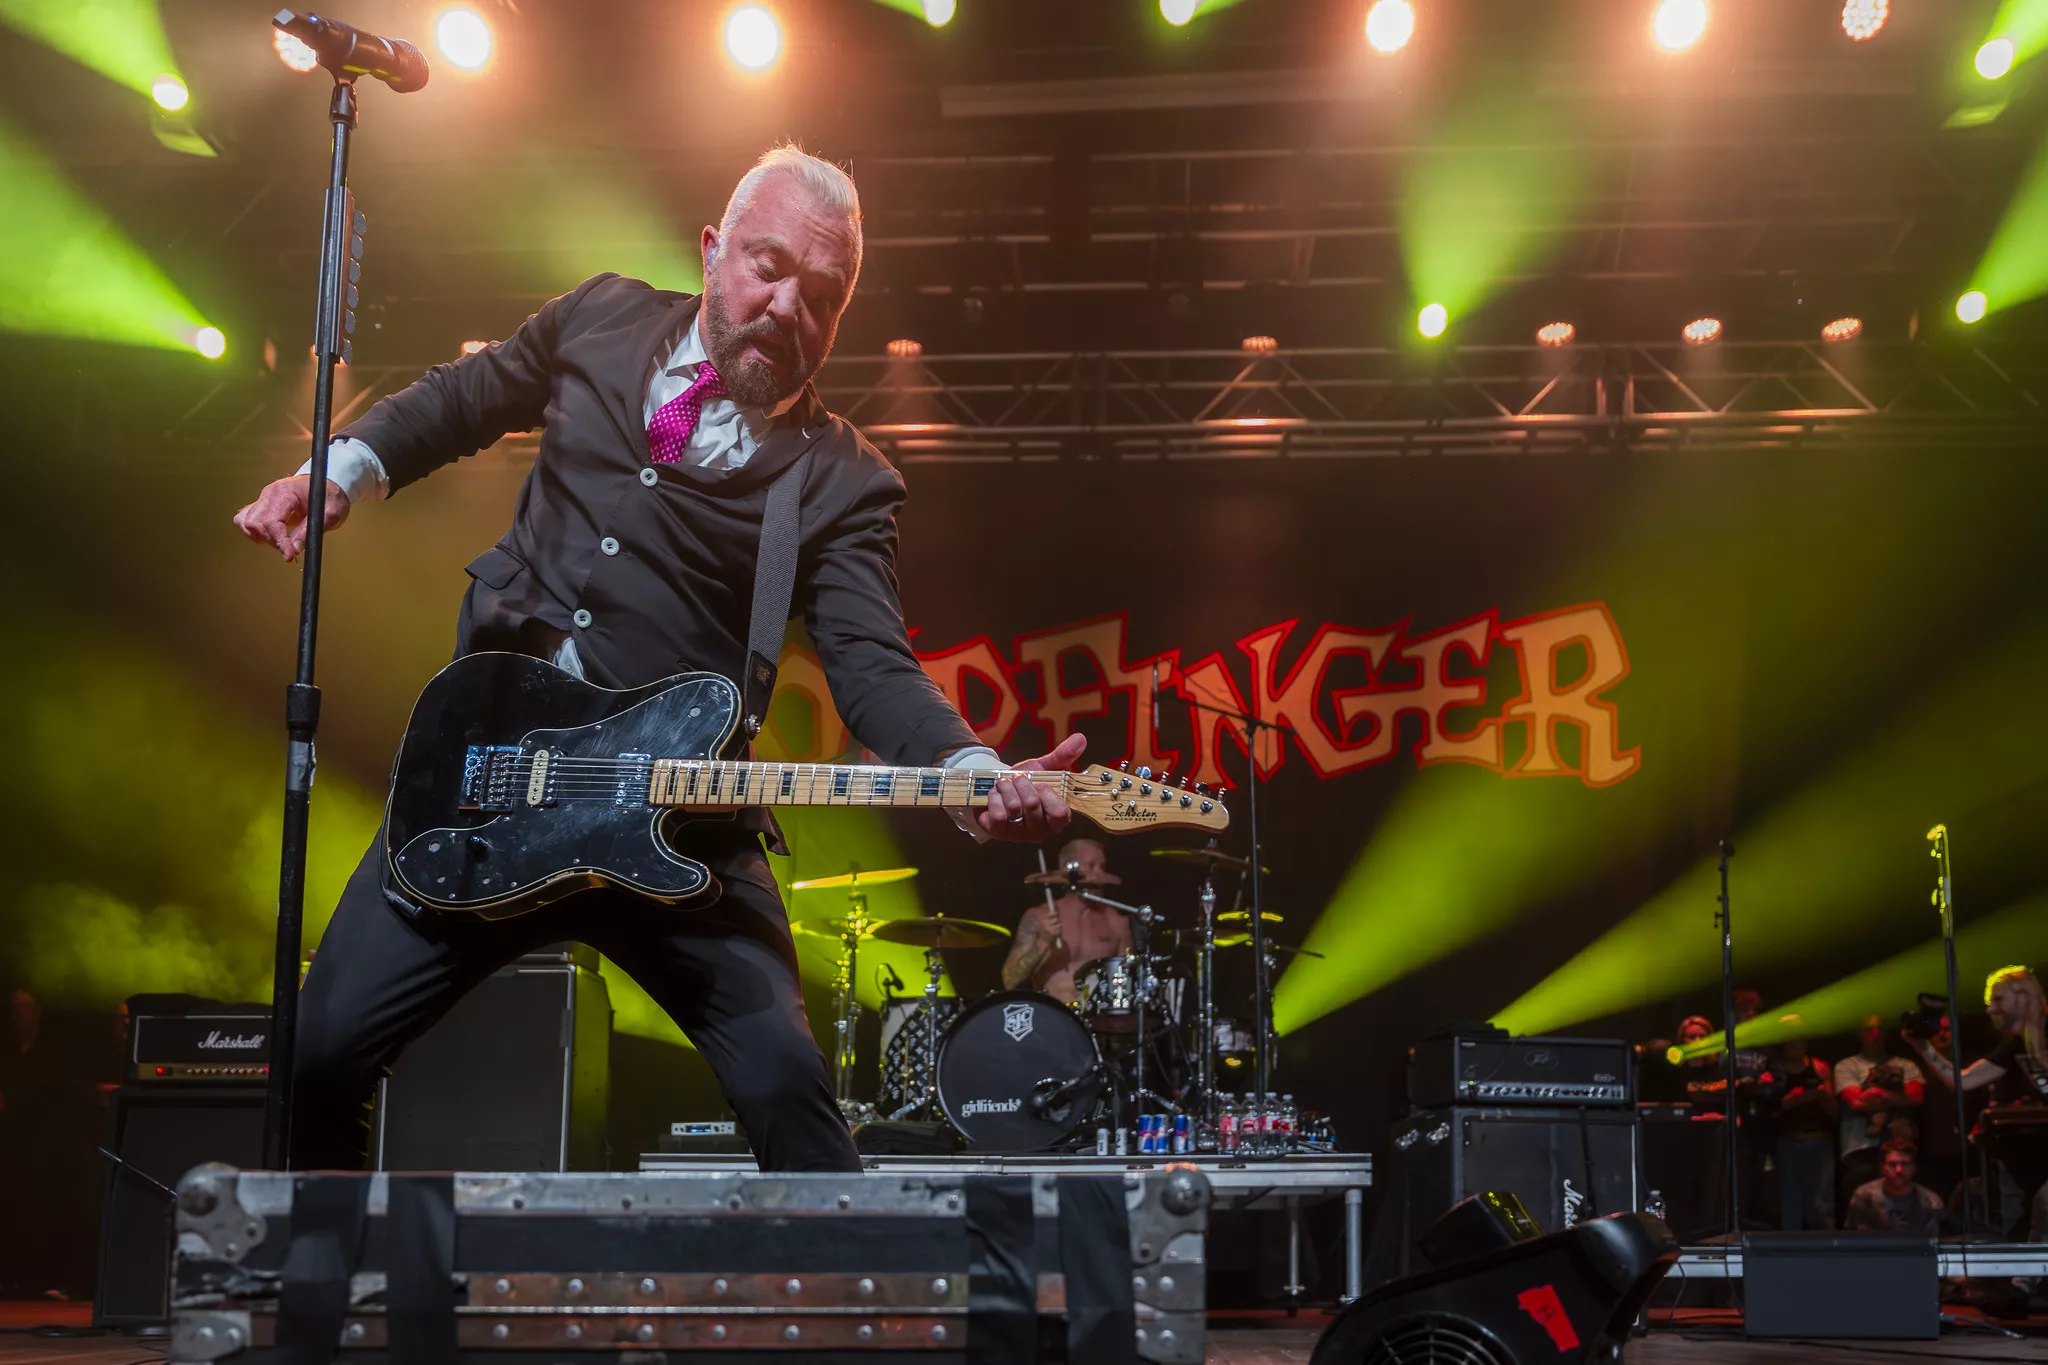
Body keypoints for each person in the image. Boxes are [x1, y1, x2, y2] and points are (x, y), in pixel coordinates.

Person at [232, 147, 1081, 1174]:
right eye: (767, 268)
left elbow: (869, 661)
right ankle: (323, 1318)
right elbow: (465, 396)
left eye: (821, 297)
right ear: (714, 251)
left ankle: (857, 1323)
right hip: (493, 783)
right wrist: (343, 470)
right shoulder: (601, 315)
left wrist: (967, 769)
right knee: (316, 1056)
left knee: (790, 1102)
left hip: (683, 827)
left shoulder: (843, 480)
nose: (785, 306)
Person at [1001, 838, 1133, 1004]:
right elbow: (1010, 980)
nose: (1099, 875)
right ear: (1067, 869)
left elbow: (1127, 983)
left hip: (1098, 1021)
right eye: (1091, 865)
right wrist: (1043, 942)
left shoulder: (1117, 922)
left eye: (1102, 867)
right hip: (1052, 1016)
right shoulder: (1040, 916)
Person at [1835, 1015, 1925, 1213]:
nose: (1874, 1035)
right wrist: (1896, 1097)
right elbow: (1856, 1103)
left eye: (1879, 1029)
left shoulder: (1906, 1065)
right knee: (1862, 1209)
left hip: (1899, 1149)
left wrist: (1877, 1094)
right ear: (1859, 1034)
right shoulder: (1847, 1066)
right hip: (1859, 1149)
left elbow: (1916, 1097)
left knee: (1898, 1210)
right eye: (1869, 1029)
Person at [1768, 1037, 1838, 1231]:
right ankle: (1789, 1255)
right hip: (1787, 1142)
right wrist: (1794, 1099)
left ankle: (1825, 1253)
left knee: (1822, 1204)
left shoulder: (1820, 1068)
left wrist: (1822, 1095)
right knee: (1790, 1202)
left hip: (1820, 1140)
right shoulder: (1775, 1070)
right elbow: (1770, 1111)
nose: (1796, 1045)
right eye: (1791, 1041)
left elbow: (1835, 1112)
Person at [1844, 1139, 1944, 1236]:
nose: (1899, 1170)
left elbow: (1932, 1245)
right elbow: (1855, 1240)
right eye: (1892, 1164)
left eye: (1905, 1164)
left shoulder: (1931, 1202)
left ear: (1914, 1167)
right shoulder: (1864, 1197)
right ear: (1882, 1167)